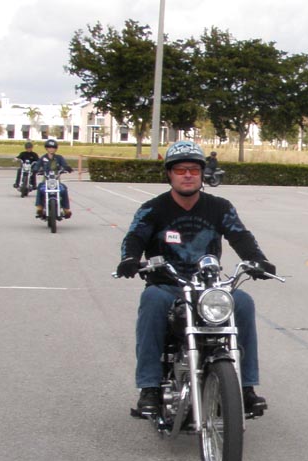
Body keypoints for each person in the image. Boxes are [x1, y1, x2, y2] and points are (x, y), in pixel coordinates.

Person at [115, 141, 275, 416]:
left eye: (194, 170)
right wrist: (129, 258)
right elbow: (135, 237)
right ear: (170, 174)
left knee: (243, 302)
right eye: (180, 170)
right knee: (151, 300)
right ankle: (149, 387)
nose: (187, 175)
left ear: (202, 174)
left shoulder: (219, 207)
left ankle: (245, 387)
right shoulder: (153, 209)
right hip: (168, 285)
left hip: (208, 286)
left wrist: (257, 260)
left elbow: (240, 235)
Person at [33, 139, 73, 219]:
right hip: (46, 180)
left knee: (64, 189)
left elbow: (65, 165)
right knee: (40, 188)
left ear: (56, 149)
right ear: (46, 148)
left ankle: (66, 209)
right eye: (49, 147)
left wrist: (67, 168)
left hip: (56, 180)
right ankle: (39, 207)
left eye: (53, 148)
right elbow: (37, 165)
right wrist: (35, 169)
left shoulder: (59, 158)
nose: (51, 149)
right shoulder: (43, 158)